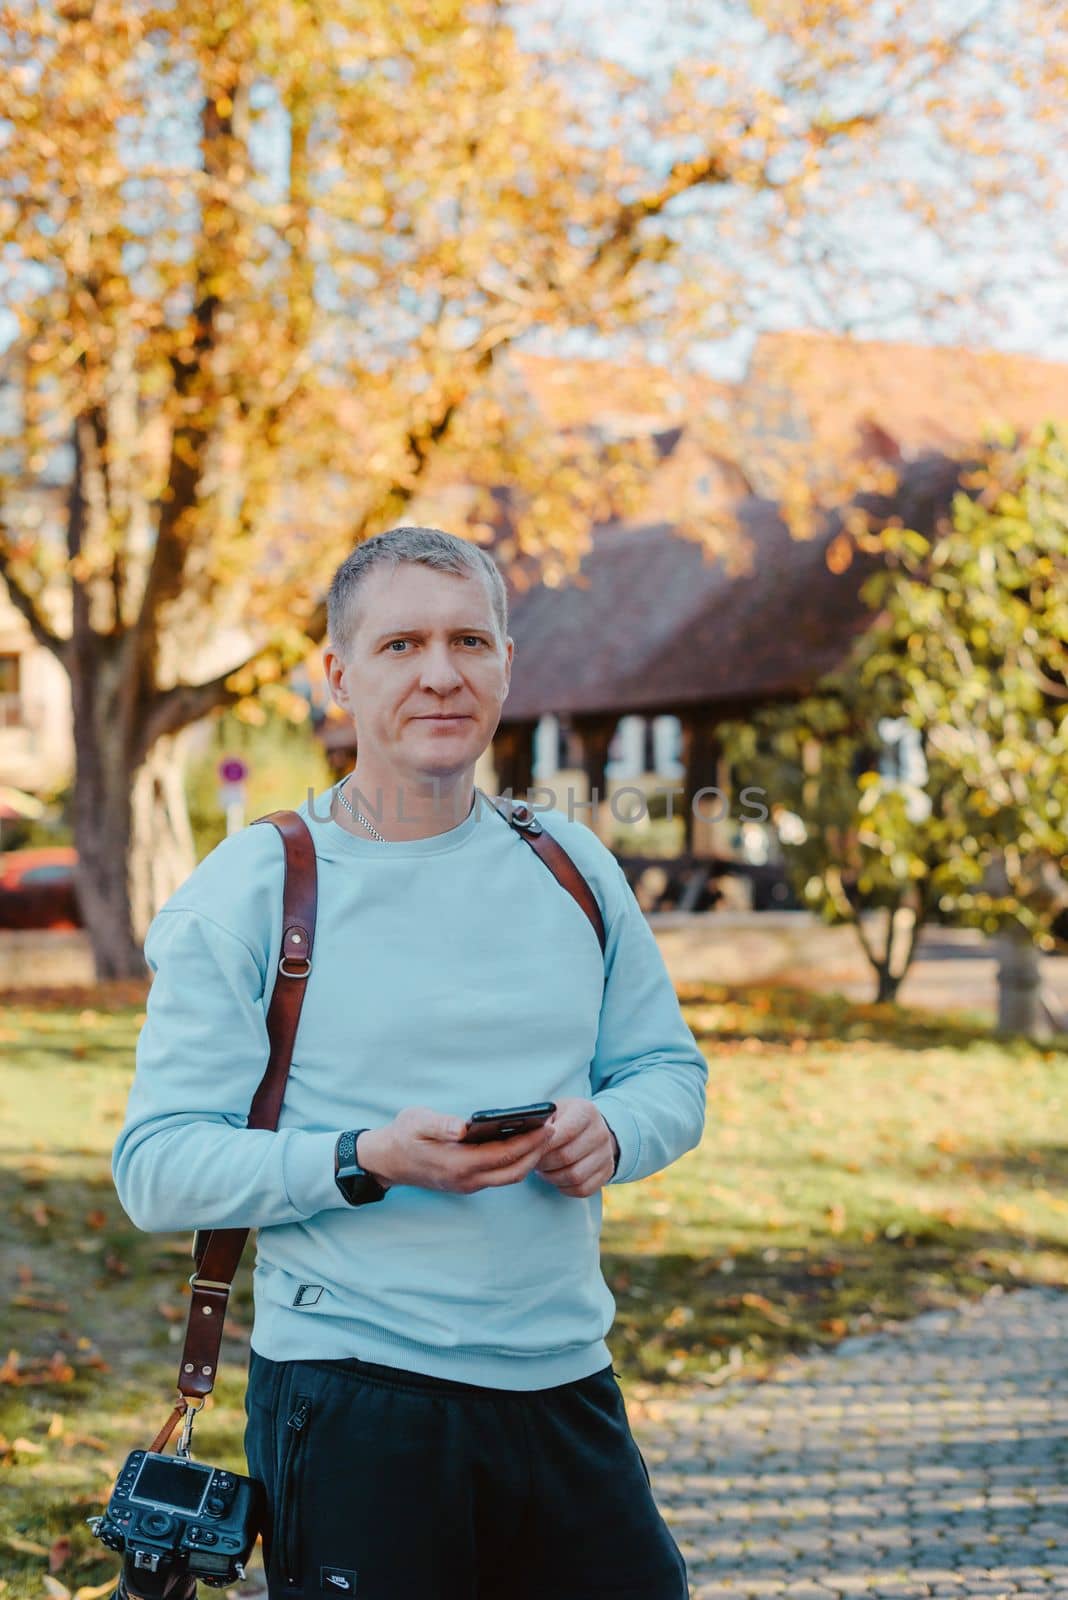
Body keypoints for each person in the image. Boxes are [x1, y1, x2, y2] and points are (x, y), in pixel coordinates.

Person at [112, 525, 708, 1600]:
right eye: (401, 646)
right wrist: (362, 1159)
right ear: (338, 675)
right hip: (355, 1404)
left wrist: (616, 1131)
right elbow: (157, 1165)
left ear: (507, 664)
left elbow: (670, 1071)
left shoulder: (570, 862)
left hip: (569, 1387)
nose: (441, 673)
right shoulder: (256, 886)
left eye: (470, 640)